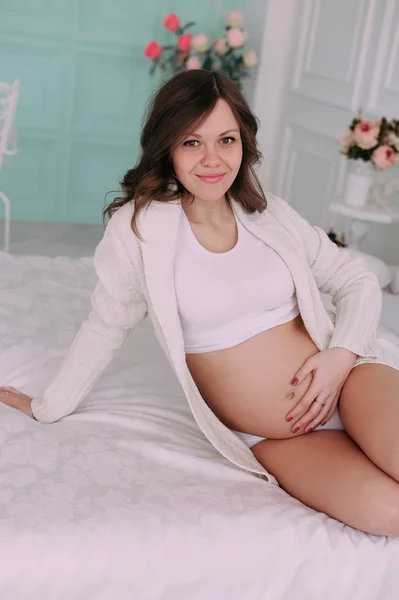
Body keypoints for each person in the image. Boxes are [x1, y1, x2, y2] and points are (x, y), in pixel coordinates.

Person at [1, 70, 399, 536]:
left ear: (244, 144)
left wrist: (341, 355)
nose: (212, 159)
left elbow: (356, 279)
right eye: (192, 143)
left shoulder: (269, 212)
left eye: (226, 140)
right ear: (167, 146)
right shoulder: (140, 230)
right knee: (389, 514)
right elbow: (106, 325)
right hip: (274, 435)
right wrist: (49, 406)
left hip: (350, 383)